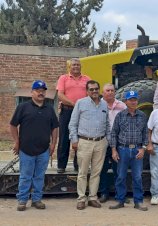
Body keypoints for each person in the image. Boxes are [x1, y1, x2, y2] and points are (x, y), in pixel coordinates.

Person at [10, 80, 59, 211]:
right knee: (25, 176)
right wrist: (16, 142)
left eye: (43, 91)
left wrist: (53, 144)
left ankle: (37, 200)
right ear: (32, 92)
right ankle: (22, 200)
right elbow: (13, 125)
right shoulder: (23, 107)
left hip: (44, 150)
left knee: (39, 176)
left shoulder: (49, 109)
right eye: (38, 90)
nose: (40, 93)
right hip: (26, 149)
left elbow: (55, 127)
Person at [69, 80, 110, 210]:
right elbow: (72, 123)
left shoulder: (104, 104)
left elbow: (107, 124)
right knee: (82, 172)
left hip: (101, 142)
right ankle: (81, 198)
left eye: (96, 89)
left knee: (96, 173)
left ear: (99, 90)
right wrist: (74, 140)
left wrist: (107, 140)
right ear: (87, 91)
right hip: (84, 142)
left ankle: (92, 197)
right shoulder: (81, 103)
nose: (94, 91)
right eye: (91, 89)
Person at [109, 90, 149, 211]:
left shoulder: (142, 115)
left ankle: (138, 201)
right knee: (121, 176)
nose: (133, 102)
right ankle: (120, 200)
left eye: (135, 99)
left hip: (137, 150)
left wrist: (143, 149)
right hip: (123, 150)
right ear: (126, 102)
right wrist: (114, 150)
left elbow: (146, 133)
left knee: (137, 177)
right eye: (130, 100)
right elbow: (114, 133)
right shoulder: (120, 116)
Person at [56, 58, 90, 173]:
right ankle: (61, 165)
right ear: (70, 66)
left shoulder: (87, 79)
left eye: (78, 65)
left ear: (81, 66)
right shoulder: (63, 78)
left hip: (82, 113)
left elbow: (91, 94)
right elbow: (60, 95)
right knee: (64, 138)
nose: (76, 66)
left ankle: (78, 165)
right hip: (67, 111)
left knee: (80, 138)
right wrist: (73, 104)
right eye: (74, 65)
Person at [98, 83, 127, 203]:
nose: (110, 92)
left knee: (118, 170)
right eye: (107, 90)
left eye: (112, 90)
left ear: (115, 92)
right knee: (102, 169)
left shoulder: (122, 105)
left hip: (118, 142)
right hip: (102, 141)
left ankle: (119, 194)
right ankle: (104, 193)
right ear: (103, 93)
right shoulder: (97, 105)